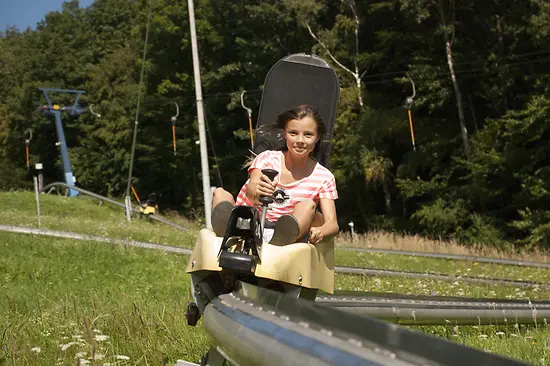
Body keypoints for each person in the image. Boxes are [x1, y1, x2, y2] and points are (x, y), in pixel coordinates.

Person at [211, 104, 339, 245]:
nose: (300, 141)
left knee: (308, 206)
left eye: (308, 135)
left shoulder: (324, 177)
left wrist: (321, 231)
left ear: (317, 137)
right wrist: (259, 190)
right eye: (293, 133)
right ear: (284, 134)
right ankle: (229, 231)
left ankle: (280, 242)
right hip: (249, 219)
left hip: (285, 228)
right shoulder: (267, 159)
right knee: (220, 193)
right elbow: (251, 191)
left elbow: (332, 224)